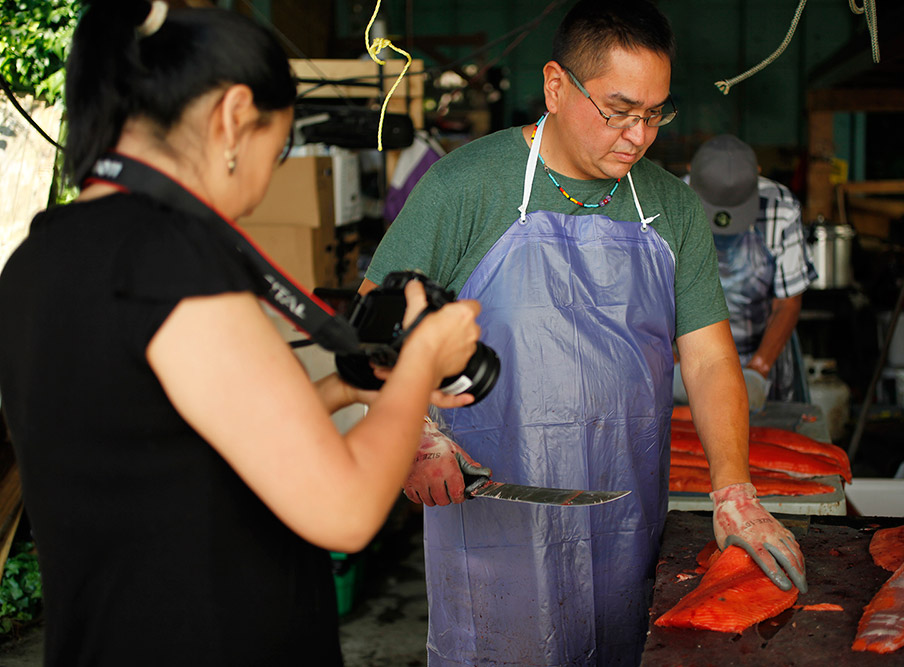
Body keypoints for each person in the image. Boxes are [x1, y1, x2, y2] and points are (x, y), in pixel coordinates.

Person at [0, 3, 482, 665]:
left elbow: (175, 448)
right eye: (278, 145)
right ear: (232, 116)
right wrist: (423, 359)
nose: (267, 178)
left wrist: (345, 387)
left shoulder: (41, 256)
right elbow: (344, 507)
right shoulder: (170, 260)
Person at [359, 2, 807, 664]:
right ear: (556, 86)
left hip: (624, 518)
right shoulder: (468, 184)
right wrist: (415, 437)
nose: (637, 135)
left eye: (654, 114)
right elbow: (373, 317)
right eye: (618, 110)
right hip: (494, 523)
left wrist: (733, 487)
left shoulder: (671, 205)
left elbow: (711, 361)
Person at [684, 134, 817, 410]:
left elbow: (788, 302)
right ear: (690, 174)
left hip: (763, 354)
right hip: (685, 359)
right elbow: (650, 301)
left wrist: (758, 371)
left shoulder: (781, 206)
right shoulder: (667, 201)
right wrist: (673, 366)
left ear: (757, 176)